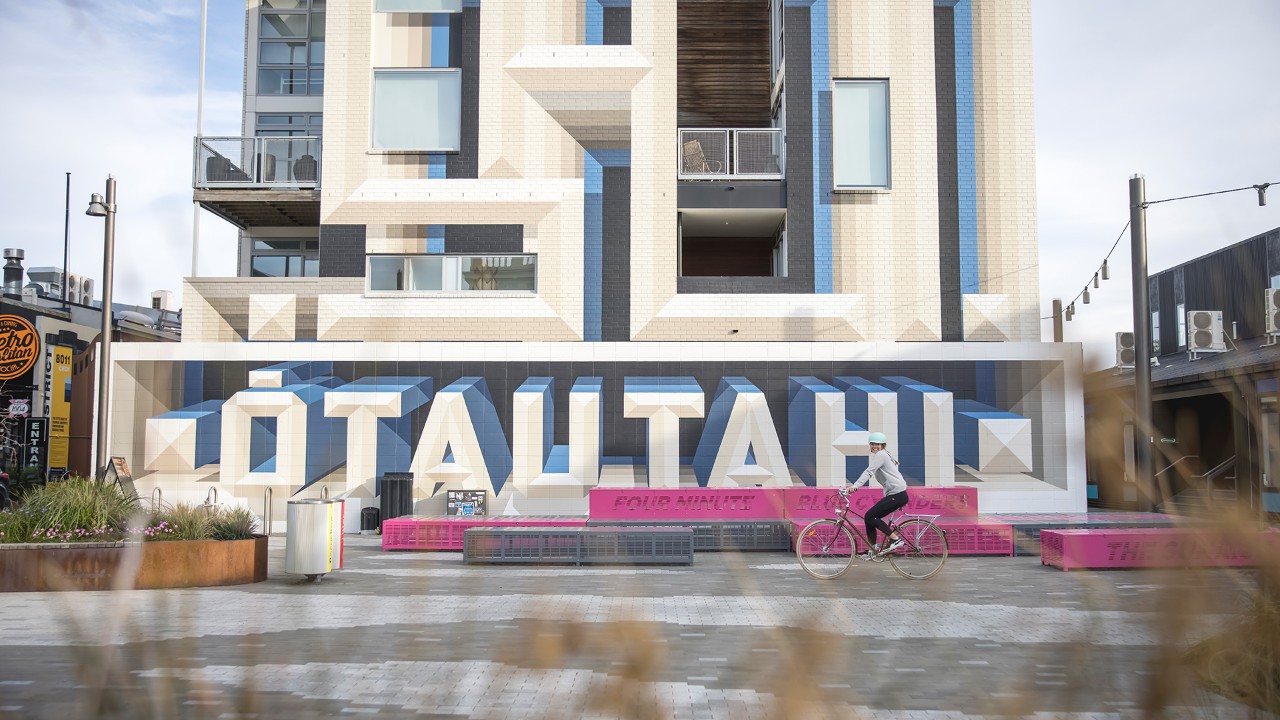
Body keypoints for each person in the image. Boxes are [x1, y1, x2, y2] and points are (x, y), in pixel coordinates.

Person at [849, 431, 908, 560]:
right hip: (897, 494)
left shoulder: (881, 455)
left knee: (870, 516)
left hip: (897, 494)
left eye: (877, 444)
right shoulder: (884, 454)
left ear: (883, 445)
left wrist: (855, 486)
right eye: (872, 444)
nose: (874, 446)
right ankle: (873, 550)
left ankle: (895, 539)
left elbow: (869, 472)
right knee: (869, 518)